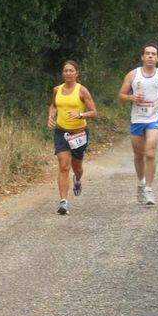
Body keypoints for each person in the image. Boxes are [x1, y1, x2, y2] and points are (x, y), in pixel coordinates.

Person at [118, 43, 158, 205]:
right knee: (138, 155)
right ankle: (141, 182)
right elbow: (120, 96)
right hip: (137, 118)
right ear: (142, 57)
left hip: (155, 117)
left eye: (153, 54)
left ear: (157, 58)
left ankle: (149, 188)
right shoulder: (133, 75)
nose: (150, 56)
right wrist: (132, 98)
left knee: (150, 152)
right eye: (147, 53)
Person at [48, 60, 98, 215]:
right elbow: (54, 105)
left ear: (77, 73)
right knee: (64, 165)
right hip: (61, 132)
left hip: (79, 133)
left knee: (77, 167)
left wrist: (80, 114)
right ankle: (63, 202)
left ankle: (77, 179)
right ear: (62, 73)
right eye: (65, 71)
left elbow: (94, 112)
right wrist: (51, 116)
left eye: (71, 71)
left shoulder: (82, 91)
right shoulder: (57, 89)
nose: (68, 73)